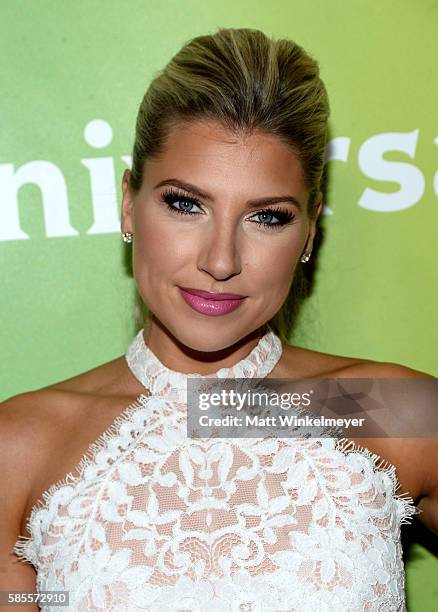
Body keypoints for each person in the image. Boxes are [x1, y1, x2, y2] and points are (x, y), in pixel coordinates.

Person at [0, 27, 436, 611]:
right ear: (129, 203)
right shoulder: (21, 448)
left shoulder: (388, 408)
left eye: (268, 217)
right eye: (186, 204)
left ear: (309, 228)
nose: (221, 261)